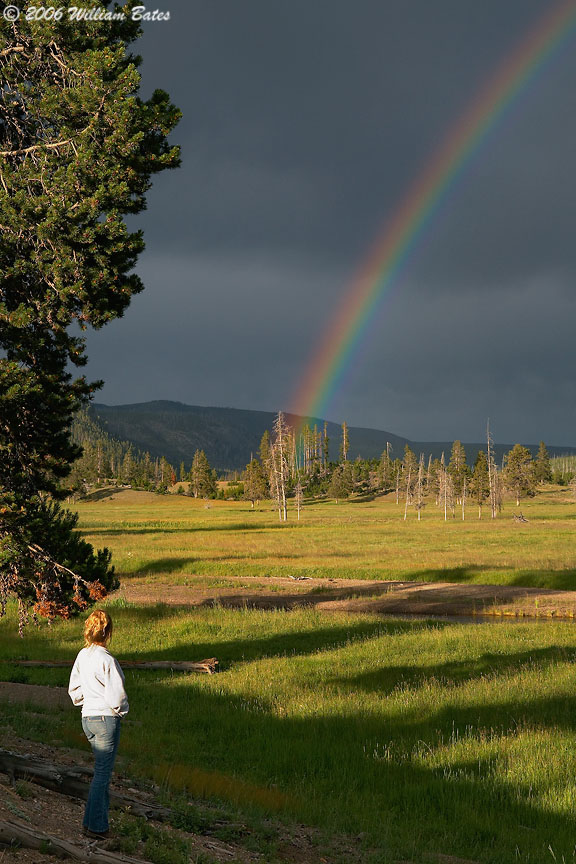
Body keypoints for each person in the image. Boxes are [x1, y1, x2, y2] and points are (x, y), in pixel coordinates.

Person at [68, 610, 129, 839]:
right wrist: (120, 712)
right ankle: (97, 827)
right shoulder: (108, 659)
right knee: (103, 775)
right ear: (108, 632)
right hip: (106, 719)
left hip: (87, 718)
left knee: (99, 772)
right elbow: (117, 696)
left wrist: (88, 701)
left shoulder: (82, 656)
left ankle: (90, 823)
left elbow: (74, 690)